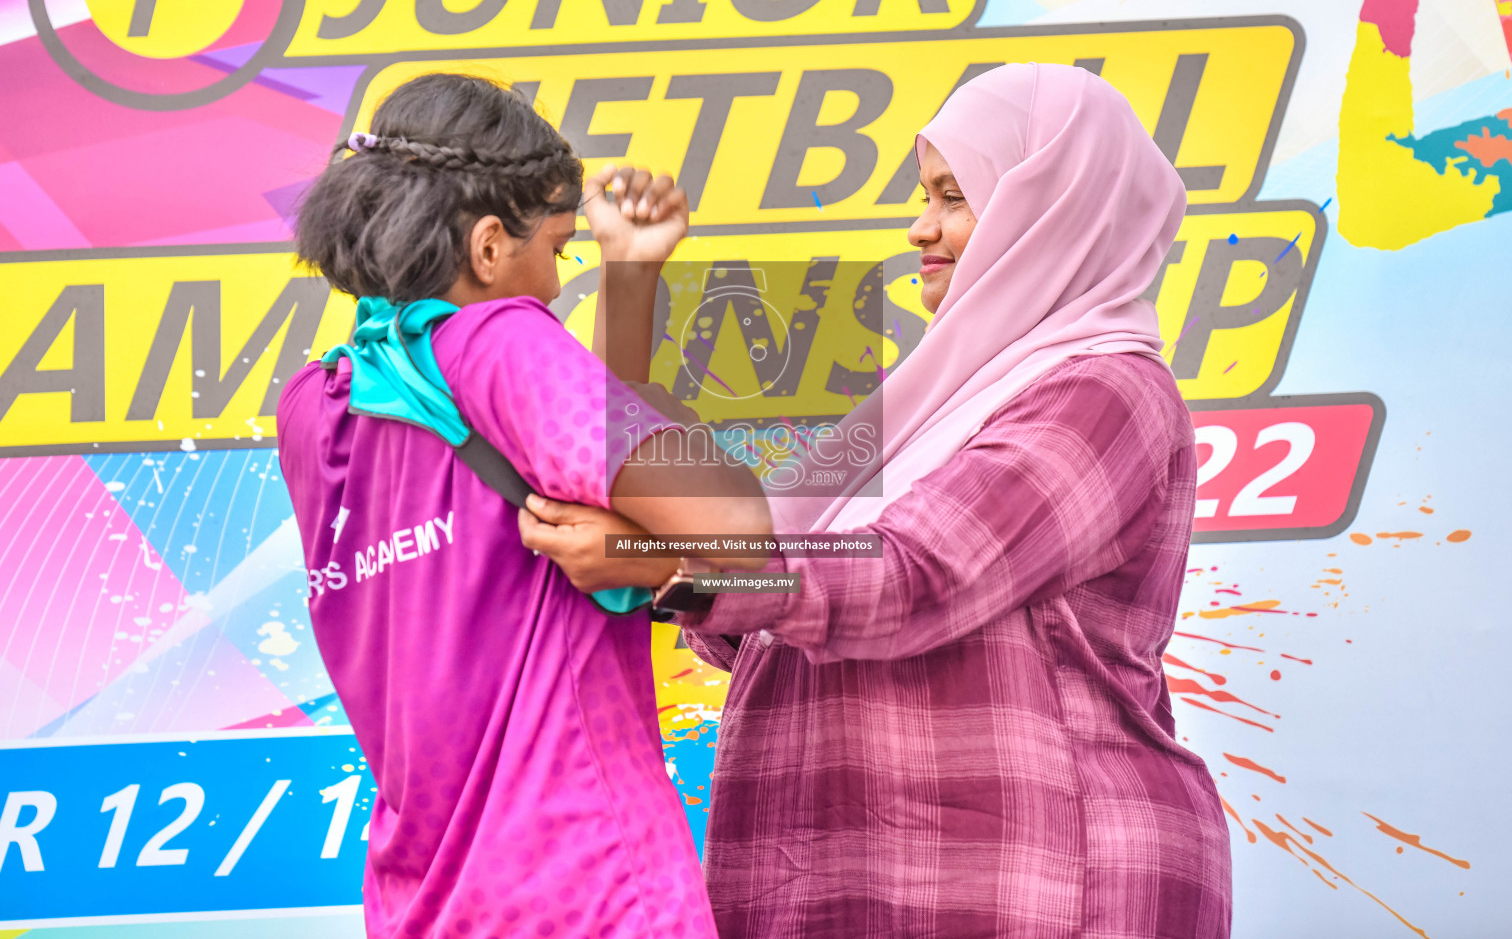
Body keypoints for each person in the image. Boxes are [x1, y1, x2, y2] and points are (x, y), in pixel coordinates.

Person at [518, 64, 1234, 939]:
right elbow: (738, 579)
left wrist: (661, 561)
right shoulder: (918, 409)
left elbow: (911, 576)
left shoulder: (1104, 391)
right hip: (854, 875)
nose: (918, 226)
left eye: (952, 196)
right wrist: (631, 283)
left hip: (1039, 881)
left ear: (1048, 208)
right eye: (922, 194)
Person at [277, 73, 767, 939]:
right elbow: (736, 528)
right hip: (589, 885)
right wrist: (643, 557)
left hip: (421, 901)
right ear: (491, 245)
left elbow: (557, 481)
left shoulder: (316, 408)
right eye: (562, 248)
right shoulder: (503, 342)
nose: (553, 279)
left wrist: (630, 279)